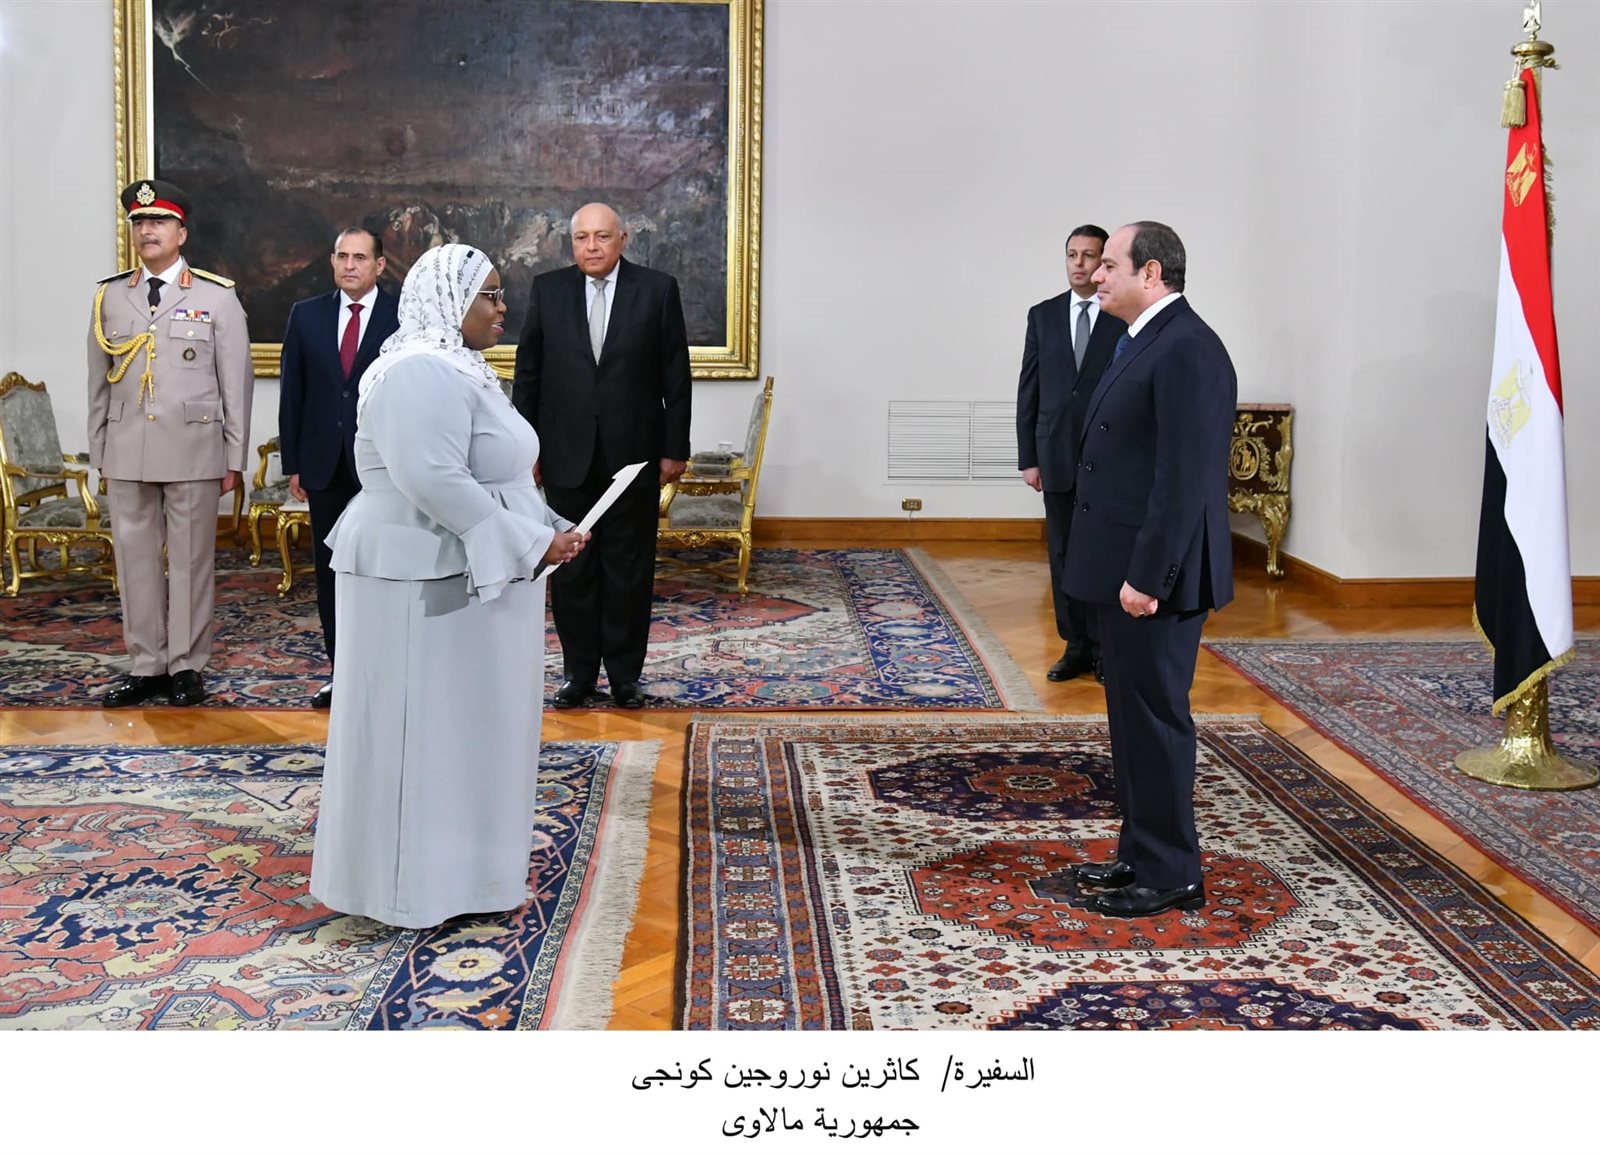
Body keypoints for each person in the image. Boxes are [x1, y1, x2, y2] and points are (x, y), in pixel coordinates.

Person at [309, 243, 589, 929]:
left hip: (463, 572)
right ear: (448, 300)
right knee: (423, 736)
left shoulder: (461, 368)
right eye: (489, 294)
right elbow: (434, 480)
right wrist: (529, 541)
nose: (502, 307)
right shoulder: (417, 372)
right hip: (420, 577)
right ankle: (412, 891)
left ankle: (467, 877)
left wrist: (547, 525)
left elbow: (497, 475)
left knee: (468, 730)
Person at [1064, 221, 1236, 919]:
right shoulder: (1145, 338)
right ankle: (1140, 853)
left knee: (1157, 721)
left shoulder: (1188, 348)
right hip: (1123, 568)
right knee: (1130, 721)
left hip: (1155, 576)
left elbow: (1183, 481)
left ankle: (1172, 874)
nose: (1096, 275)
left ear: (1151, 273)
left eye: (1110, 264)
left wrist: (1147, 577)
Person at [511, 202, 692, 709]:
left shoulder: (656, 290)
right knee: (573, 568)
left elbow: (676, 375)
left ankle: (625, 678)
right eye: (582, 238)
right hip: (564, 454)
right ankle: (579, 675)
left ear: (622, 239)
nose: (591, 247)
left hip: (633, 456)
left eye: (602, 237)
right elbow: (528, 374)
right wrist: (524, 448)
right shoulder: (548, 290)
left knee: (628, 570)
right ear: (571, 243)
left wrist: (674, 448)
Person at [86, 179, 254, 708]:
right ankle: (146, 665)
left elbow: (236, 384)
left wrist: (233, 457)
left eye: (158, 221)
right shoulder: (110, 296)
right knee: (134, 562)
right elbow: (97, 383)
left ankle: (186, 665)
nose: (147, 230)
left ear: (181, 232)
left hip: (194, 449)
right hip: (127, 449)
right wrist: (100, 453)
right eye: (139, 222)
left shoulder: (216, 296)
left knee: (190, 562)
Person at [277, 226, 401, 709]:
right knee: (332, 574)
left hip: (384, 468)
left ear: (379, 265)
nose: (350, 265)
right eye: (342, 257)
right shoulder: (306, 314)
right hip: (323, 465)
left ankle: (386, 673)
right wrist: (294, 463)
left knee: (384, 570)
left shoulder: (401, 315)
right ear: (332, 261)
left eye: (360, 257)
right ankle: (341, 674)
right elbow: (293, 392)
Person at [1016, 225, 1126, 685]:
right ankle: (1075, 645)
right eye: (1072, 255)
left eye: (1089, 256)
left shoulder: (1121, 315)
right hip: (1055, 454)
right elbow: (1029, 389)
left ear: (1104, 263)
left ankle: (1104, 650)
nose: (1079, 264)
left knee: (1101, 552)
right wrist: (1029, 457)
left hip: (1107, 457)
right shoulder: (1042, 316)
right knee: (1062, 552)